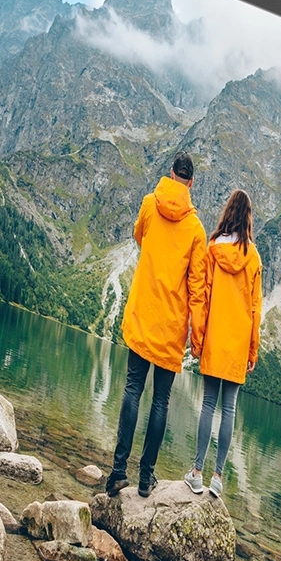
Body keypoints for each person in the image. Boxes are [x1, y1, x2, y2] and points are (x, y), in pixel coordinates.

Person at [105, 152, 208, 498]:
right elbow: (197, 288)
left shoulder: (150, 203)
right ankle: (146, 477)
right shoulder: (196, 230)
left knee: (132, 388)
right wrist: (198, 336)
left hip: (144, 311)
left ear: (170, 173)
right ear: (191, 182)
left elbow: (139, 236)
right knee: (161, 401)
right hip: (171, 325)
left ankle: (118, 472)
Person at [185, 189, 262, 498]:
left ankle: (196, 472)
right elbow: (255, 308)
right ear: (248, 218)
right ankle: (218, 478)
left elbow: (203, 296)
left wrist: (197, 338)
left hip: (215, 338)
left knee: (208, 403)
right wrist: (253, 349)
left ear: (227, 213)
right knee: (229, 408)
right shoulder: (253, 257)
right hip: (238, 343)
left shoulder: (213, 248)